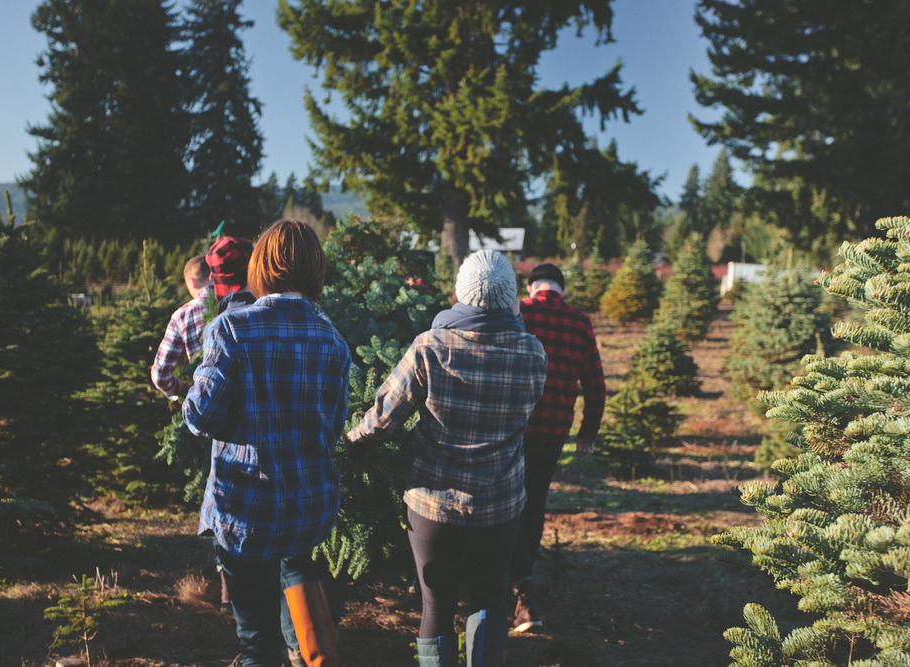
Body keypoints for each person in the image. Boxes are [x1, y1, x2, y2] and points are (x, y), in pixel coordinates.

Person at [348, 250, 548, 667]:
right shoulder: (532, 353)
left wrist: (349, 441)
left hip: (432, 504)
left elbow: (384, 418)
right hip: (499, 504)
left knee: (435, 606)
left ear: (459, 292)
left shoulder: (430, 346)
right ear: (511, 298)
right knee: (489, 599)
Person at [184, 219, 351, 667]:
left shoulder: (231, 329)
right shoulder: (333, 341)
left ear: (261, 267)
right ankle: (309, 652)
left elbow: (200, 417)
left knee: (256, 643)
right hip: (308, 507)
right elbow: (334, 427)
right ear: (316, 270)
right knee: (296, 569)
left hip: (246, 511)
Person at [507, 263, 606, 633]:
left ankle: (505, 578)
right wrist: (587, 433)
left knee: (503, 500)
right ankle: (524, 583)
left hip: (511, 426)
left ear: (531, 286)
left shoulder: (518, 310)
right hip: (552, 431)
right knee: (533, 503)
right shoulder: (580, 323)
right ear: (561, 289)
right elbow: (596, 384)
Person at [150, 256, 213, 400]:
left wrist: (180, 388)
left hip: (206, 400)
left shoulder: (183, 315)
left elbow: (160, 375)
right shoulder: (238, 303)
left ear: (191, 281)